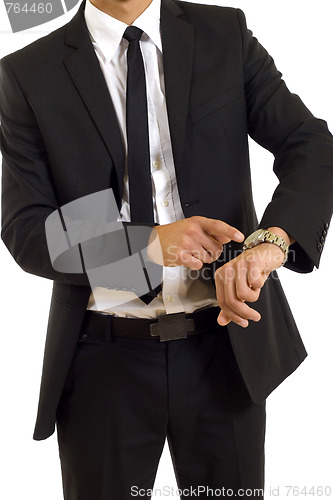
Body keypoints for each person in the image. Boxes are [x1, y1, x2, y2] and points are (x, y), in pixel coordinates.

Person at [0, 0, 332, 499]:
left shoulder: (224, 32)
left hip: (226, 348)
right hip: (103, 360)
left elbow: (311, 145)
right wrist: (148, 243)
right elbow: (29, 229)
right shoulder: (27, 72)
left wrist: (270, 243)